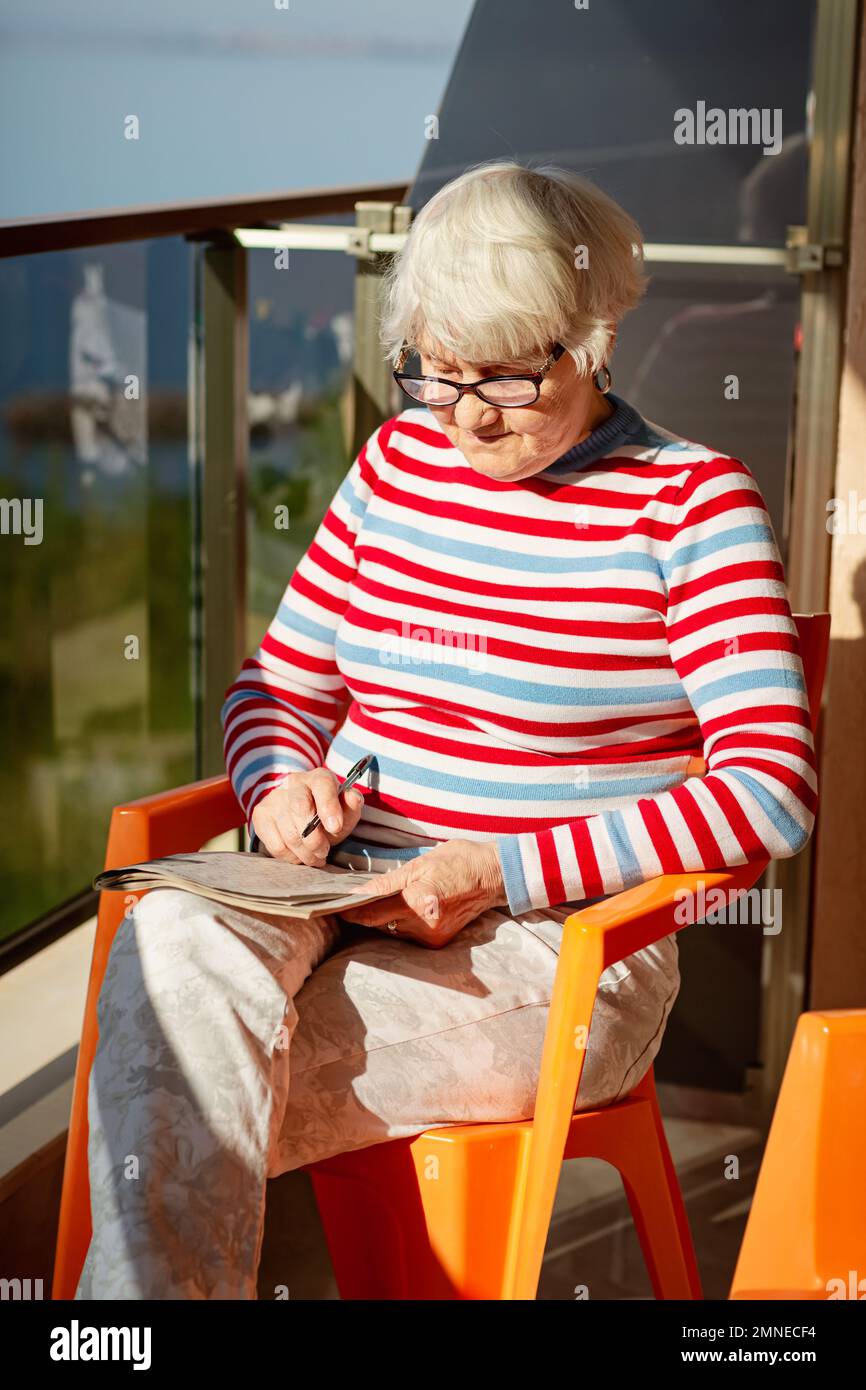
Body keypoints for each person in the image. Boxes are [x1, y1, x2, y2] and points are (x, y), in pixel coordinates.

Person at [76, 160, 816, 1299]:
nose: (466, 414)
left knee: (168, 1080)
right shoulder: (395, 463)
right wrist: (278, 788)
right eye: (436, 370)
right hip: (336, 892)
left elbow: (767, 790)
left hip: (561, 947)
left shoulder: (690, 505)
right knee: (172, 938)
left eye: (511, 379)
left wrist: (500, 868)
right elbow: (274, 688)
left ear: (594, 334)